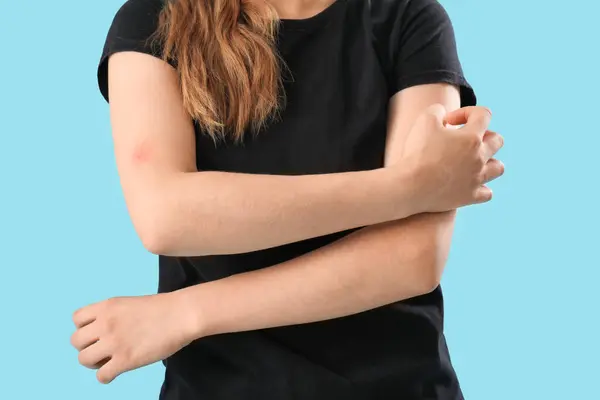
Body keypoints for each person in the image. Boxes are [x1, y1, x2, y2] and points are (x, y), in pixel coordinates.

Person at [70, 0, 504, 399]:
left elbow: (413, 258)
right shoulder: (153, 17)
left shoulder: (408, 17)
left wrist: (186, 313)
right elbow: (166, 215)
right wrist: (411, 187)